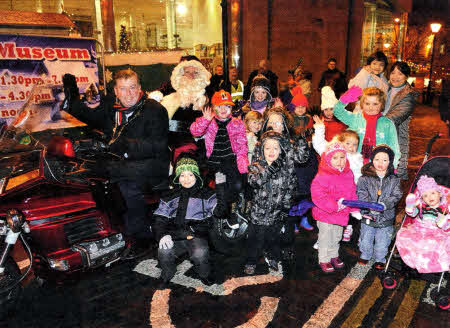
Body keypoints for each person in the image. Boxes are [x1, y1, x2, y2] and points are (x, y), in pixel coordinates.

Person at [61, 69, 169, 258]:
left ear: (140, 88)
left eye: (133, 88)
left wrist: (125, 145)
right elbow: (91, 117)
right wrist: (72, 96)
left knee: (125, 184)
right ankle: (98, 232)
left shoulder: (154, 109)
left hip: (152, 164)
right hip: (121, 161)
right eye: (123, 89)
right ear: (116, 92)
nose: (129, 94)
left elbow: (158, 146)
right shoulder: (113, 106)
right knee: (90, 175)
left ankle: (142, 238)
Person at [153, 157, 227, 286]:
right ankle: (167, 274)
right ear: (177, 177)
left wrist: (220, 187)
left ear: (196, 176)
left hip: (196, 235)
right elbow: (159, 218)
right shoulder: (169, 195)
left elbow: (221, 212)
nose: (186, 179)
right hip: (174, 236)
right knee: (163, 251)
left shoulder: (206, 194)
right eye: (182, 175)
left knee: (199, 254)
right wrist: (162, 235)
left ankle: (205, 274)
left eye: (190, 174)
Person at [189, 90, 248, 228]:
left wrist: (243, 164)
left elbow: (241, 145)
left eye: (227, 106)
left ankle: (231, 209)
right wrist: (205, 120)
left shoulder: (237, 123)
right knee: (221, 186)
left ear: (231, 108)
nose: (223, 109)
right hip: (216, 164)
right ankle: (225, 212)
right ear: (214, 107)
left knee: (238, 185)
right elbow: (195, 131)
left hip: (231, 162)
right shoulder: (209, 121)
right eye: (219, 106)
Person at [244, 131, 297, 275]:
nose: (271, 151)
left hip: (276, 213)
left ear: (281, 150)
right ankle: (251, 260)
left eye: (276, 148)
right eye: (268, 148)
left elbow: (289, 187)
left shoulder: (285, 168)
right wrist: (270, 169)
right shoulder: (255, 166)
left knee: (273, 238)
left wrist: (285, 207)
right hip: (258, 214)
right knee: (256, 239)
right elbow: (254, 182)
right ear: (262, 150)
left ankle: (272, 256)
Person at [310, 142, 359, 273]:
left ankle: (333, 255)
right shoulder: (322, 175)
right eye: (335, 158)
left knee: (337, 236)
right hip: (325, 213)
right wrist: (334, 206)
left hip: (341, 213)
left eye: (342, 157)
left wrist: (355, 209)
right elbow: (318, 195)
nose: (339, 161)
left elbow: (352, 192)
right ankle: (324, 259)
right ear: (328, 159)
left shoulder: (348, 174)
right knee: (325, 237)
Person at [312, 124, 363, 243]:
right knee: (329, 215)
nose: (351, 147)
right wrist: (319, 129)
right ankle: (322, 239)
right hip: (333, 191)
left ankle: (347, 228)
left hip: (349, 191)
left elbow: (360, 174)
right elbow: (319, 144)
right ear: (341, 143)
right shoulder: (334, 154)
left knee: (348, 212)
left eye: (354, 144)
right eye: (348, 143)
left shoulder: (358, 159)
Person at [357, 145, 403, 270]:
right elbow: (361, 194)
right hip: (368, 215)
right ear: (372, 160)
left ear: (390, 162)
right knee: (366, 237)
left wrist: (384, 204)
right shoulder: (364, 178)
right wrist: (367, 207)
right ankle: (365, 254)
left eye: (385, 160)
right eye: (377, 159)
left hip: (386, 217)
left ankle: (380, 258)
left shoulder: (394, 180)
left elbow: (397, 195)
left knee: (383, 240)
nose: (380, 163)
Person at [332, 86, 401, 166]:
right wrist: (343, 101)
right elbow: (337, 111)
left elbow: (394, 147)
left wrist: (393, 166)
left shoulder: (387, 124)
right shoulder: (355, 119)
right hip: (354, 164)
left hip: (378, 166)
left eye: (375, 104)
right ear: (362, 104)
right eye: (367, 103)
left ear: (381, 104)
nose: (370, 107)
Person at [395, 175, 449, 273]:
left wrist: (444, 223)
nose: (430, 197)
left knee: (436, 243)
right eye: (425, 195)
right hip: (419, 229)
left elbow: (447, 229)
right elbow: (415, 215)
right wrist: (411, 210)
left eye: (433, 193)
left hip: (436, 232)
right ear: (422, 198)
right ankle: (409, 207)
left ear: (440, 194)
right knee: (406, 236)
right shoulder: (422, 206)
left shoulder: (444, 209)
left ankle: (427, 263)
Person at [160, 58, 212, 150]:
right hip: (176, 143)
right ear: (181, 75)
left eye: (195, 73)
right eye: (187, 72)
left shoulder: (207, 99)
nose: (191, 76)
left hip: (201, 143)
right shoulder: (169, 99)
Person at [382, 61, 419, 180]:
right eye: (393, 73)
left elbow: (396, 116)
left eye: (400, 74)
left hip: (395, 137)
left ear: (406, 76)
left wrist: (374, 121)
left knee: (392, 172)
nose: (395, 77)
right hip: (380, 133)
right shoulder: (385, 87)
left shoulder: (409, 95)